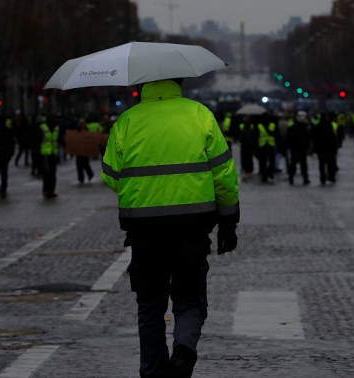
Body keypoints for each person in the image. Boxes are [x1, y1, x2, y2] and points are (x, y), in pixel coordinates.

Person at [102, 78, 239, 378]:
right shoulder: (200, 114)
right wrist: (229, 219)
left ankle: (152, 372)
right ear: (180, 81)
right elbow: (223, 172)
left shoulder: (127, 120)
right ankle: (183, 354)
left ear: (143, 84)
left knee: (150, 305)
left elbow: (111, 175)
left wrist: (144, 187)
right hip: (192, 223)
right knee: (190, 299)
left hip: (144, 228)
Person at [311, 113, 340, 185]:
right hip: (322, 148)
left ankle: (330, 177)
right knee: (322, 164)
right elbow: (315, 138)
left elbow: (333, 138)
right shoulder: (321, 126)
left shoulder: (329, 125)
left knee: (330, 163)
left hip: (329, 148)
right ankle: (323, 177)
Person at [286, 111, 310, 185]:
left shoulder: (293, 127)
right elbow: (307, 138)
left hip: (295, 148)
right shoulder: (304, 127)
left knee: (294, 164)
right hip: (300, 148)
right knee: (302, 164)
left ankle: (292, 178)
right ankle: (304, 179)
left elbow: (288, 138)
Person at [40, 116, 59, 198]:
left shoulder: (57, 127)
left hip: (53, 152)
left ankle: (50, 190)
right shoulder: (43, 127)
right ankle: (46, 190)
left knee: (52, 173)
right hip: (46, 152)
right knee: (47, 172)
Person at [256, 115, 277, 183]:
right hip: (270, 145)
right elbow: (277, 134)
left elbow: (256, 136)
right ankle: (270, 172)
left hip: (262, 145)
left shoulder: (259, 125)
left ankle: (264, 176)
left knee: (263, 162)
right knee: (271, 160)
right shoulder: (272, 124)